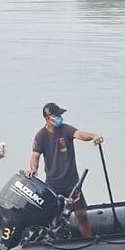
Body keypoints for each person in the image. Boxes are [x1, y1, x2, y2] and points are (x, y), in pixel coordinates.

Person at [27, 102, 102, 238]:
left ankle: (89, 241)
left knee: (82, 215)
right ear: (48, 118)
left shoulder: (65, 129)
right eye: (57, 115)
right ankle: (57, 244)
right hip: (53, 185)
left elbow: (79, 134)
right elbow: (35, 156)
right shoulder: (41, 136)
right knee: (55, 220)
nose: (60, 118)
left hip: (72, 184)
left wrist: (93, 136)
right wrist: (33, 169)